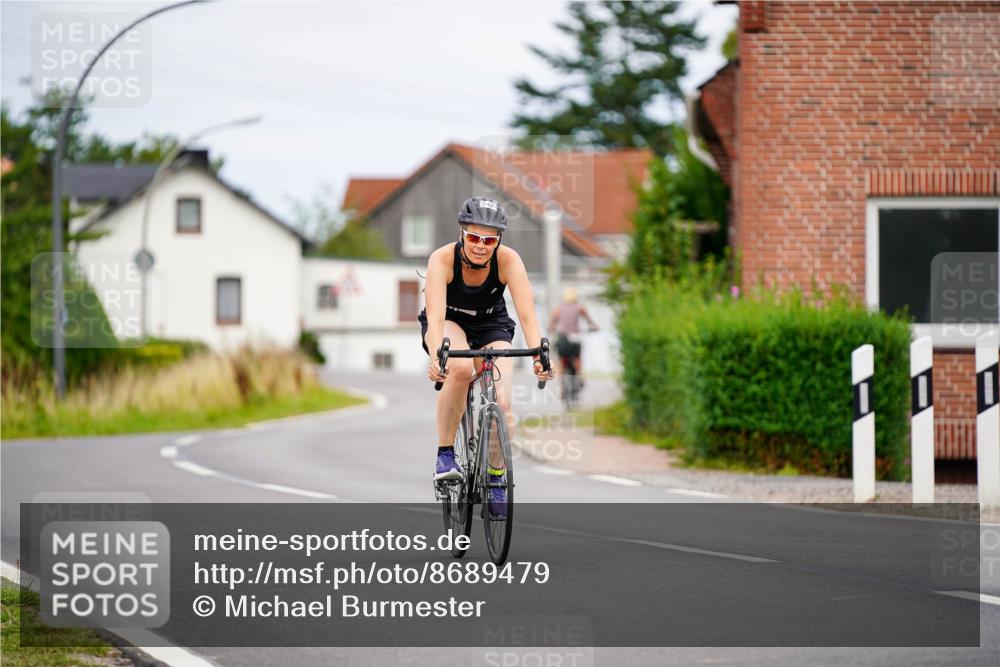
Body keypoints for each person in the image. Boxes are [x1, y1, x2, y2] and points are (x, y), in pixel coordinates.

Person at [420, 197, 552, 514]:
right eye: (474, 237)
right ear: (462, 234)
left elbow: (528, 317)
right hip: (449, 320)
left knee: (502, 402)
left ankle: (495, 478)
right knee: (460, 369)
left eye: (489, 240)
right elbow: (435, 319)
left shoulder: (509, 261)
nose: (481, 246)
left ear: (499, 241)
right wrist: (437, 357)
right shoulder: (442, 259)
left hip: (492, 323)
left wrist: (539, 356)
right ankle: (445, 454)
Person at [548, 287, 598, 379]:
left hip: (563, 337)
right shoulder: (579, 307)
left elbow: (552, 322)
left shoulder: (559, 308)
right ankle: (579, 375)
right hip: (575, 337)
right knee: (577, 357)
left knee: (561, 359)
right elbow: (588, 319)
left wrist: (551, 328)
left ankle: (561, 381)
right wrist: (593, 326)